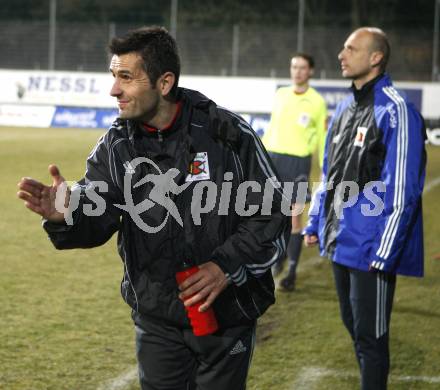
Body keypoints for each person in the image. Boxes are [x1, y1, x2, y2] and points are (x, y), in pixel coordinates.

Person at [17, 26, 290, 390]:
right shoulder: (116, 146)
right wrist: (67, 214)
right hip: (157, 318)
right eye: (114, 76)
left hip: (227, 314)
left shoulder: (227, 134)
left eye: (126, 78)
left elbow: (272, 213)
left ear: (164, 83)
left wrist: (225, 267)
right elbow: (97, 218)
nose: (114, 89)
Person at [304, 27, 426, 390]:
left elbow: (403, 190)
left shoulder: (397, 109)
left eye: (351, 49)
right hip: (341, 240)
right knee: (355, 327)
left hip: (371, 248)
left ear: (375, 58)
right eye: (343, 48)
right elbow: (328, 172)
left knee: (371, 339)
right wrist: (314, 220)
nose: (342, 54)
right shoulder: (342, 108)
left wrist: (385, 251)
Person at [262, 53, 327, 291]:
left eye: (302, 68)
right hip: (274, 158)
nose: (297, 71)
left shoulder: (317, 102)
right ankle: (277, 259)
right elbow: (272, 128)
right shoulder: (280, 94)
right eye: (294, 67)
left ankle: (291, 271)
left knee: (294, 215)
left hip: (298, 162)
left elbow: (321, 137)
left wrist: (323, 167)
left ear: (310, 71)